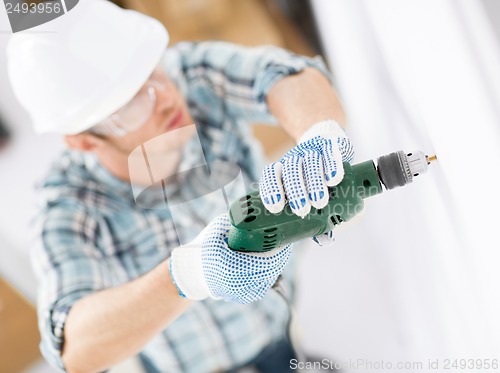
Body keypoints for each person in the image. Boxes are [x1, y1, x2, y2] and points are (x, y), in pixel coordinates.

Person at [7, 1, 353, 372]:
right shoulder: (66, 209)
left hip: (273, 323)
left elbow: (285, 75)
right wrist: (190, 274)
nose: (166, 97)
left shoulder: (188, 77)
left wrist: (320, 133)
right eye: (132, 102)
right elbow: (73, 349)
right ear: (84, 140)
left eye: (152, 72)